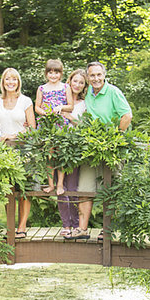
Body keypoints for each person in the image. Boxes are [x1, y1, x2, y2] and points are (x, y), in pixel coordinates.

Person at [66, 61, 132, 240]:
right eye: (92, 75)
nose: (95, 78)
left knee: (109, 189)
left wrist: (115, 138)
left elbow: (127, 115)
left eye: (98, 75)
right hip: (92, 149)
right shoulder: (88, 95)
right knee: (85, 188)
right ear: (88, 77)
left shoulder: (113, 92)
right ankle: (82, 229)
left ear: (104, 75)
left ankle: (107, 229)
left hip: (112, 150)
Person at [0, 68, 36, 239]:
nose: (11, 82)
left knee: (23, 189)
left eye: (14, 79)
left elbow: (32, 128)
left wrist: (15, 135)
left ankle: (22, 227)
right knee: (7, 190)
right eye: (7, 79)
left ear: (18, 82)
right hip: (3, 151)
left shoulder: (25, 101)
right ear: (3, 82)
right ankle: (11, 226)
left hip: (23, 149)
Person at [56, 69, 88, 236]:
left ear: (84, 86)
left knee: (72, 187)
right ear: (69, 81)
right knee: (59, 187)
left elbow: (86, 126)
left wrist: (70, 117)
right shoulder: (61, 100)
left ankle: (76, 225)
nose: (77, 85)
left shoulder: (84, 103)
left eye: (81, 83)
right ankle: (66, 225)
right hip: (58, 148)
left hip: (74, 149)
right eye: (75, 81)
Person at [34, 59, 73, 196]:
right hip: (47, 125)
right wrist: (44, 113)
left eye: (56, 73)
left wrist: (60, 107)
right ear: (46, 74)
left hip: (61, 124)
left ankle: (60, 184)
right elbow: (37, 107)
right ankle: (51, 184)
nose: (53, 75)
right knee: (49, 155)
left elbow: (71, 106)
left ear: (61, 74)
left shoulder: (65, 87)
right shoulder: (42, 88)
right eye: (50, 72)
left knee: (60, 154)